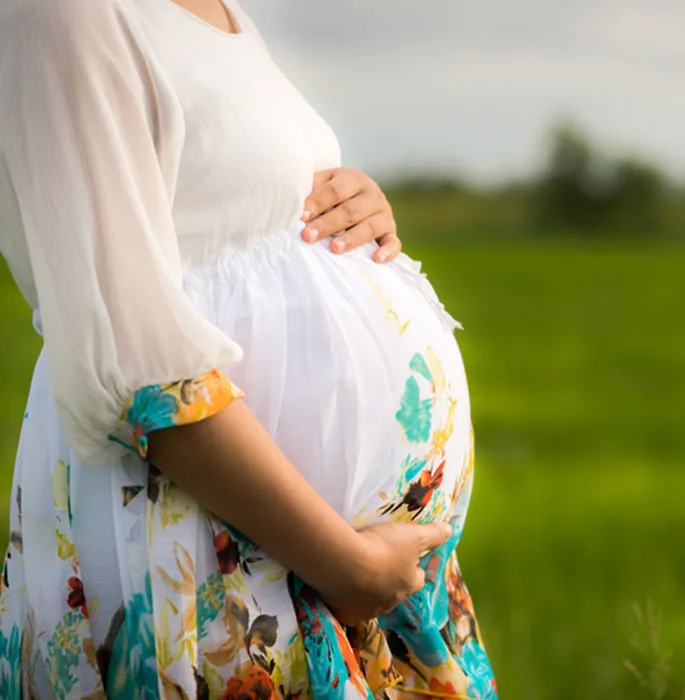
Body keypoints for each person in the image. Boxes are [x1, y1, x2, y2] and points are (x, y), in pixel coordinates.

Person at [0, 0, 497, 697]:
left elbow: (231, 207)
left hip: (330, 568)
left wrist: (352, 210)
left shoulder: (218, 8)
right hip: (218, 547)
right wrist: (348, 567)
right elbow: (138, 367)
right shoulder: (66, 11)